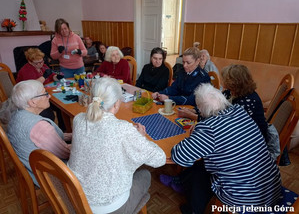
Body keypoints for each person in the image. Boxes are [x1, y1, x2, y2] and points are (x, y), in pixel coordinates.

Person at [172, 83, 282, 214]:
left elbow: (179, 156)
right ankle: (183, 184)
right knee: (209, 160)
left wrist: (195, 137)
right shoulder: (240, 111)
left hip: (246, 199)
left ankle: (193, 210)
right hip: (271, 188)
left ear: (201, 111)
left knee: (202, 170)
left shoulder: (209, 128)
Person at [67, 77, 166, 213]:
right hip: (106, 207)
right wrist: (140, 137)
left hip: (76, 195)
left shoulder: (78, 119)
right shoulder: (122, 129)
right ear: (116, 104)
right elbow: (159, 158)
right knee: (145, 175)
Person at [5, 80, 71, 186]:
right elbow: (66, 153)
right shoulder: (39, 127)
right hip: (48, 175)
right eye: (45, 93)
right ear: (32, 102)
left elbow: (47, 138)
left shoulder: (17, 115)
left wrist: (73, 135)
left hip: (30, 166)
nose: (49, 96)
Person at [178, 64, 268, 139]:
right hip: (230, 132)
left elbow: (223, 123)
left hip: (248, 138)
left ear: (234, 82)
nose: (222, 81)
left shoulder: (249, 101)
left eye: (225, 79)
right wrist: (194, 110)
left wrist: (191, 116)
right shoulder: (229, 92)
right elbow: (215, 108)